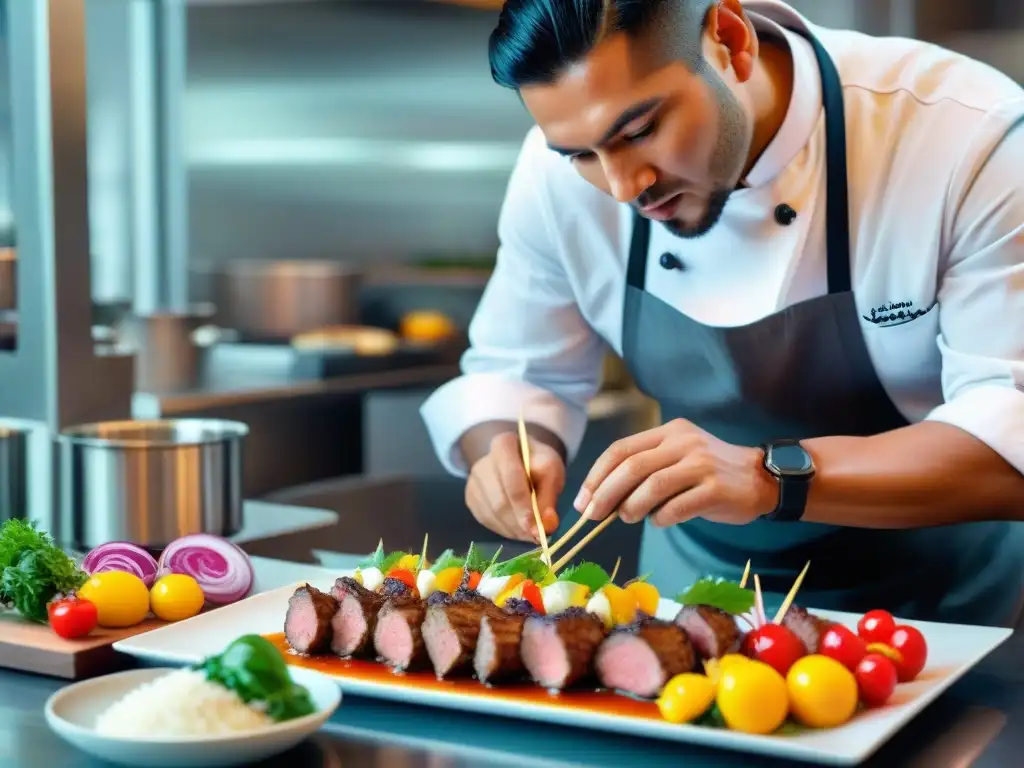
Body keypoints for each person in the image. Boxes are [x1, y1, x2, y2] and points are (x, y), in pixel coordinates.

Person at [420, 0, 1024, 627]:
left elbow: (1011, 437)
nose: (625, 187)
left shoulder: (965, 137)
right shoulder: (554, 177)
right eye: (583, 155)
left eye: (639, 132)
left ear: (731, 42)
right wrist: (505, 453)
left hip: (944, 610)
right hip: (691, 607)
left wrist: (768, 476)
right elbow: (517, 374)